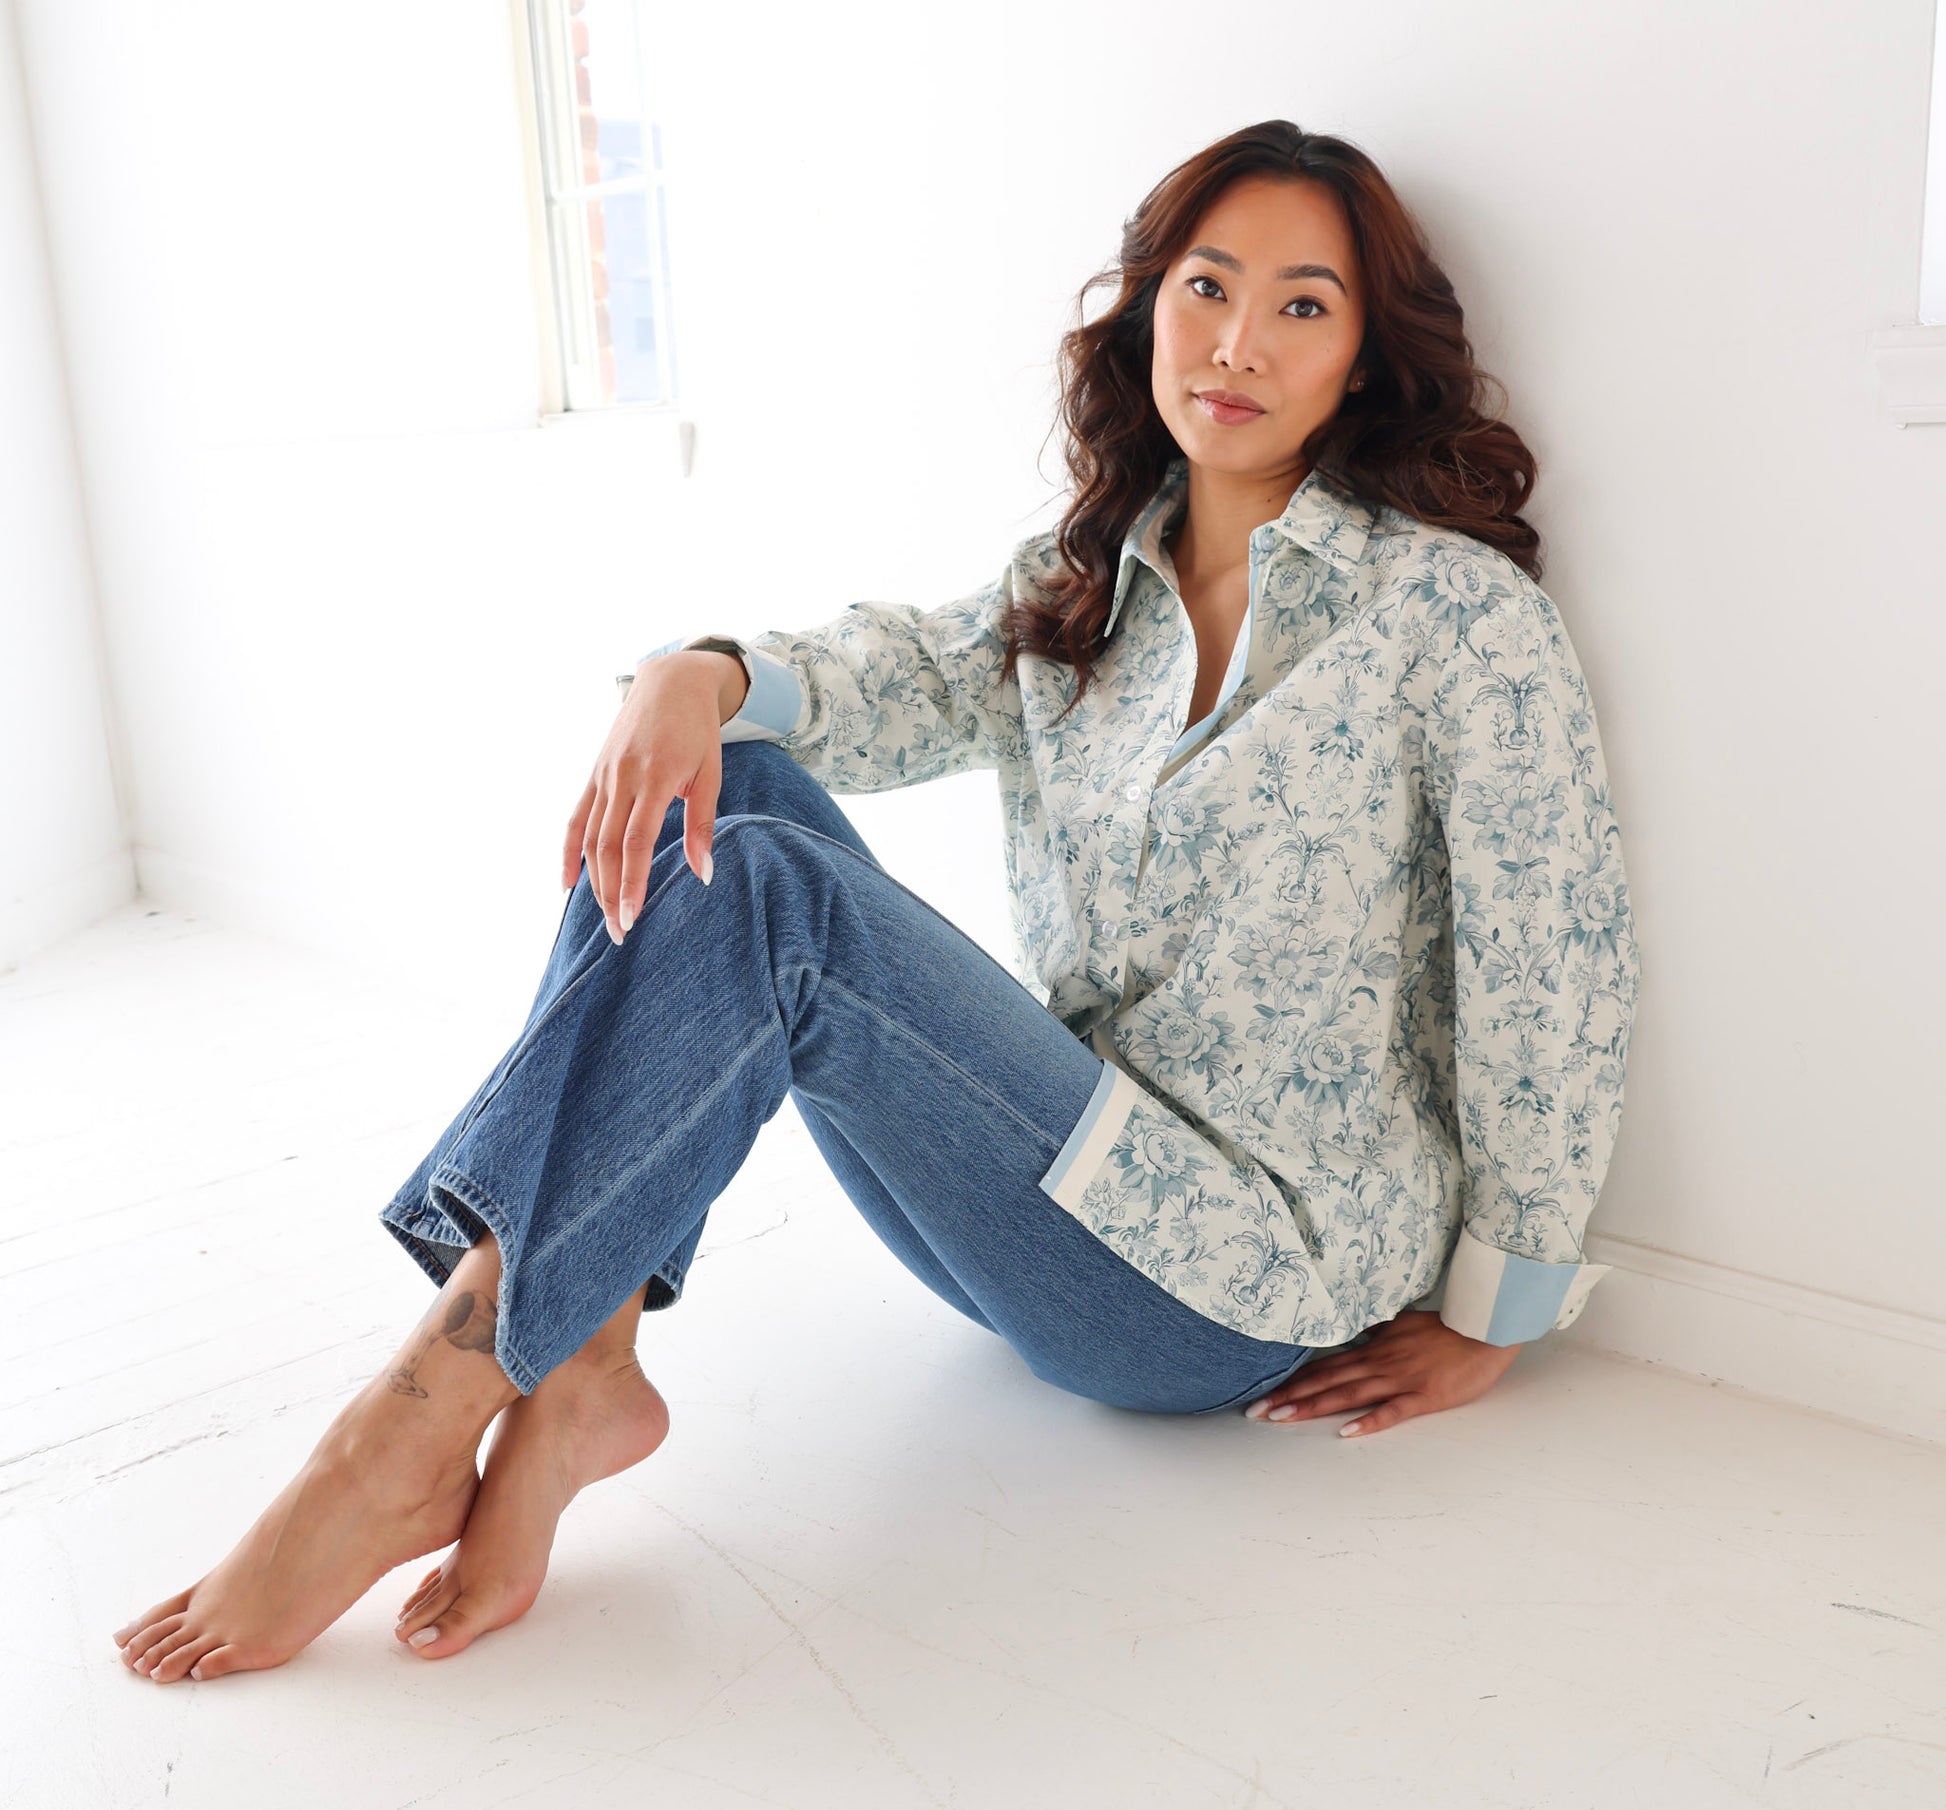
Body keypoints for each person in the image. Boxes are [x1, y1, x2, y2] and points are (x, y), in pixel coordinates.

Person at [111, 118, 1640, 1685]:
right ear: (1147, 308)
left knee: (767, 882)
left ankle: (419, 1411)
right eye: (1204, 286)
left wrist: (1494, 1307)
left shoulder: (1451, 614)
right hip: (1038, 1181)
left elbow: (1552, 966)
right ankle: (577, 1363)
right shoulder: (1089, 579)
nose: (1237, 342)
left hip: (1226, 1285)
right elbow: (887, 672)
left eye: (1302, 305)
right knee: (733, 779)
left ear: (1367, 358)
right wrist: (690, 672)